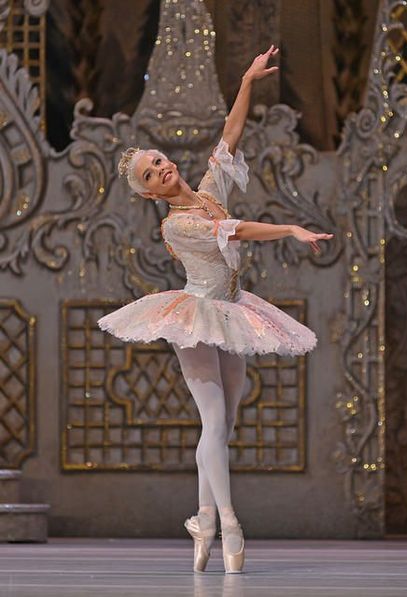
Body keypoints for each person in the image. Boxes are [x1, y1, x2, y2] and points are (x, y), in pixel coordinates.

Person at [97, 44, 334, 574]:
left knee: (224, 429)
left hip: (232, 309)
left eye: (157, 160)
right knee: (213, 419)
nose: (162, 168)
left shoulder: (207, 193)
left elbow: (229, 134)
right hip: (196, 316)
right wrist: (291, 229)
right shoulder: (177, 224)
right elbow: (239, 231)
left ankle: (202, 516)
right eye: (151, 173)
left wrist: (248, 80)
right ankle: (229, 522)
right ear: (150, 193)